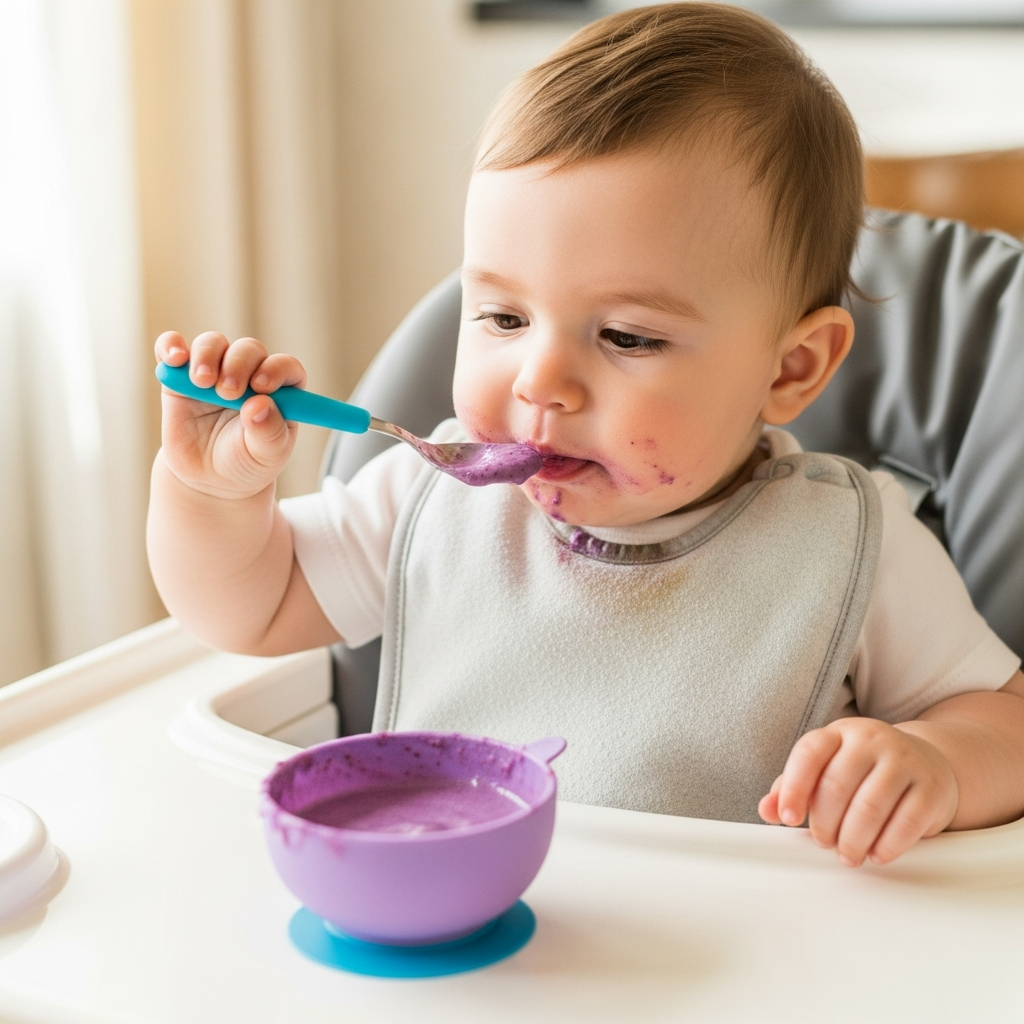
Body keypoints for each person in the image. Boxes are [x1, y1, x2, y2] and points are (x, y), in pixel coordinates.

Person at [148, 3, 1024, 867]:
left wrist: (937, 763)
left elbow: (1003, 723)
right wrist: (209, 493)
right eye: (500, 315)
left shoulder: (853, 547)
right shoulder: (432, 501)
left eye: (627, 336)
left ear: (791, 369)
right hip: (456, 950)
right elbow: (251, 606)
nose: (540, 382)